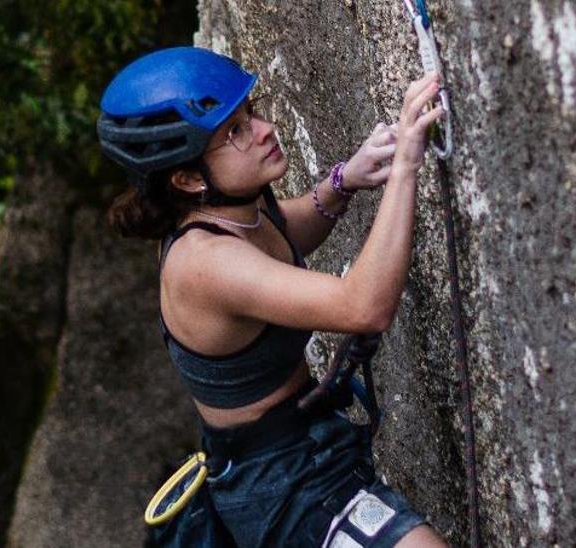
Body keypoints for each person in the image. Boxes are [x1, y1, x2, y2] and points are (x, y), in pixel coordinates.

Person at [98, 47, 448, 548]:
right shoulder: (204, 264)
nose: (262, 130)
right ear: (189, 178)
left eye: (250, 114)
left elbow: (280, 236)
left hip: (305, 443)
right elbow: (364, 306)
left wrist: (343, 181)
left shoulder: (228, 209)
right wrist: (408, 163)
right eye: (234, 132)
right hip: (279, 486)